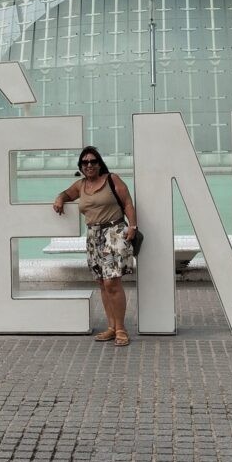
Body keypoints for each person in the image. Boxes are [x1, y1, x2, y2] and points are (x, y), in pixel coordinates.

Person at [52, 146, 137, 346]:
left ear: (99, 164)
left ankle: (121, 329)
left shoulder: (111, 179)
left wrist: (132, 225)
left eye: (93, 161)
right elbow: (66, 194)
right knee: (101, 282)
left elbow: (127, 203)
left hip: (113, 233)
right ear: (81, 166)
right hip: (93, 236)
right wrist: (60, 198)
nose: (89, 165)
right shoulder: (80, 185)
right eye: (85, 162)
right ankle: (111, 327)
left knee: (112, 283)